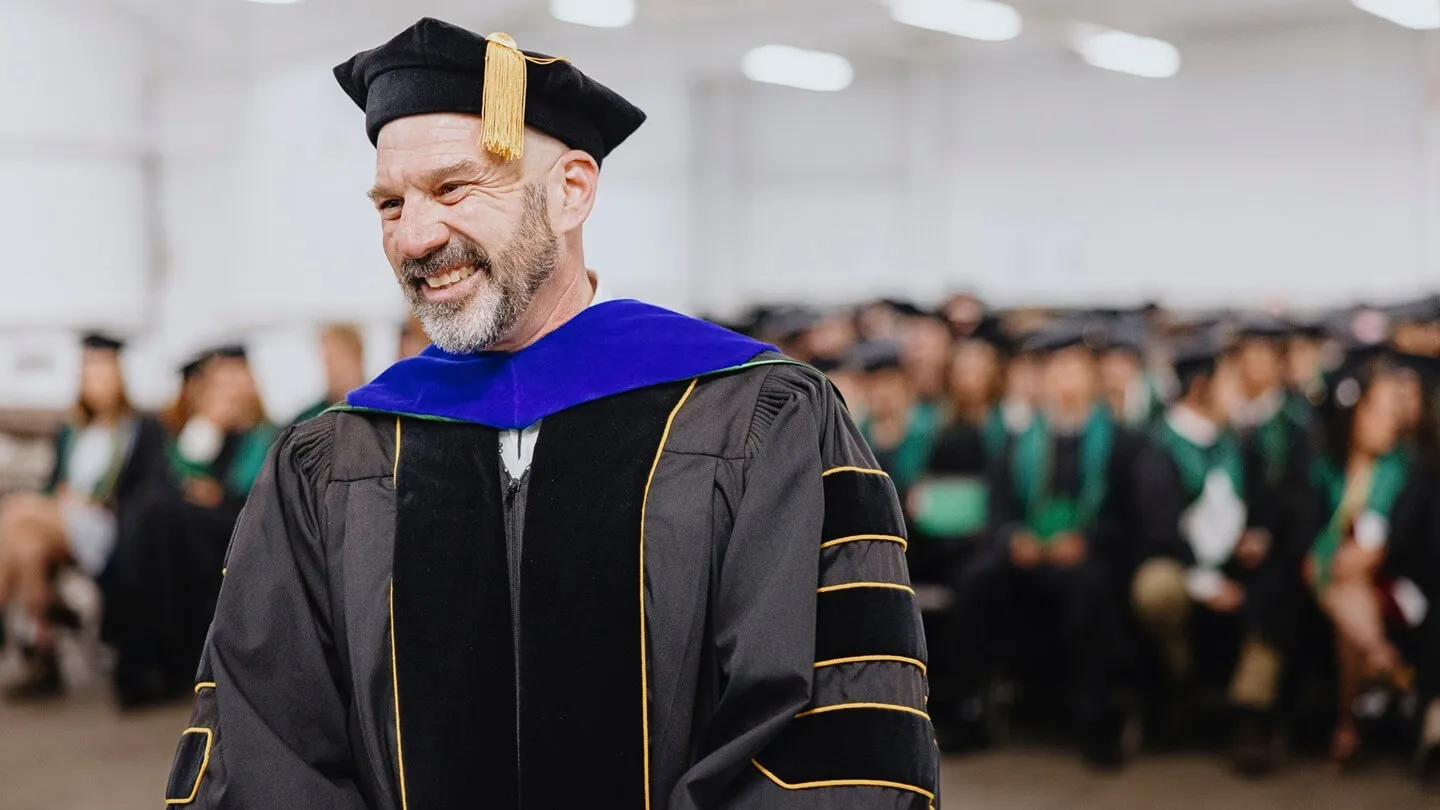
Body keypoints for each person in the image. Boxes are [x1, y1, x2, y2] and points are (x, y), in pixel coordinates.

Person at [164, 19, 936, 809]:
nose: (417, 236)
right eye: (390, 204)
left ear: (571, 190)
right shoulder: (333, 460)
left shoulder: (757, 421)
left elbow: (836, 724)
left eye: (454, 187)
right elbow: (263, 738)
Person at [950, 320, 1173, 769]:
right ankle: (965, 710)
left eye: (1074, 367)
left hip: (1090, 560)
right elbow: (998, 510)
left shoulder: (1123, 443)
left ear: (1092, 375)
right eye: (1054, 369)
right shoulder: (1018, 442)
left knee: (1089, 586)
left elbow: (1136, 520)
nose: (1063, 378)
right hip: (1028, 558)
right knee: (976, 579)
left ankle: (1098, 720)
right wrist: (1014, 539)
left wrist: (1087, 541)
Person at [1130, 332, 1298, 774]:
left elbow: (1263, 503)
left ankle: (1250, 710)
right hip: (1184, 568)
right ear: (1201, 386)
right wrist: (1204, 581)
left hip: (1237, 565)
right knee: (1156, 587)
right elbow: (1160, 528)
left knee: (1277, 586)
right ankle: (1178, 680)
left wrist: (1257, 534)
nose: (1240, 390)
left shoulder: (1239, 440)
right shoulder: (1159, 445)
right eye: (1229, 380)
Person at [108, 345, 278, 708]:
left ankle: (149, 660)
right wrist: (209, 425)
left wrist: (210, 493)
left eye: (236, 376)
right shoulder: (203, 431)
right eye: (220, 380)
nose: (229, 387)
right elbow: (177, 476)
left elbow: (248, 495)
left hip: (242, 529)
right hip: (189, 530)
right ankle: (150, 657)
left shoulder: (264, 434)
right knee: (152, 515)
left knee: (157, 516)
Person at [0, 333, 166, 701]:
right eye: (90, 374)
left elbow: (143, 492)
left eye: (103, 373)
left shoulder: (139, 429)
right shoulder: (72, 431)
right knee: (26, 543)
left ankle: (36, 639)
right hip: (60, 525)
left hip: (108, 526)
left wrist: (88, 501)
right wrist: (61, 498)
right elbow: (52, 486)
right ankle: (45, 642)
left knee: (15, 513)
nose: (96, 382)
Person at [1303, 351, 1440, 781]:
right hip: (1340, 583)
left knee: (1348, 588)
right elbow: (1312, 547)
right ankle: (1378, 658)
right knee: (1342, 582)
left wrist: (1363, 558)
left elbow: (1397, 543)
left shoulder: (1407, 473)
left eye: (1391, 410)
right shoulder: (1327, 470)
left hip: (1395, 584)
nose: (1389, 420)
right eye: (1377, 410)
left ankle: (1349, 723)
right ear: (1353, 414)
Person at [855, 341, 941, 505]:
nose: (882, 393)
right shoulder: (858, 433)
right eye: (873, 384)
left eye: (889, 382)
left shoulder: (930, 425)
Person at [293, 324, 368, 424]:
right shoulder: (310, 418)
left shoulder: (382, 411)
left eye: (338, 358)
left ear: (357, 356)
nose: (330, 368)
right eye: (327, 361)